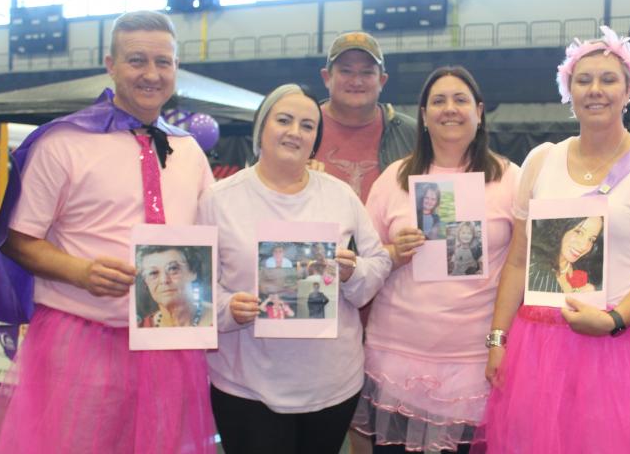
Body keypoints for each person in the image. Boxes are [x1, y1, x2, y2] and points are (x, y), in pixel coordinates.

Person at [0, 11, 216, 453]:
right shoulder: (63, 142)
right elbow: (16, 238)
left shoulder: (190, 152)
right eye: (137, 60)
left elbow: (215, 239)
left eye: (163, 62)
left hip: (168, 345)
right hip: (81, 338)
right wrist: (79, 270)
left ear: (177, 68)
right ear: (110, 63)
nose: (151, 74)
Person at [476, 26, 630, 454]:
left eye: (609, 79)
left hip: (627, 347)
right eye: (584, 80)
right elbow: (519, 263)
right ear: (568, 89)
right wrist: (498, 340)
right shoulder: (541, 160)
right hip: (540, 350)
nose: (596, 90)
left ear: (629, 88)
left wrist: (613, 321)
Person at [197, 83, 391, 454]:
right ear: (261, 129)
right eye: (283, 120)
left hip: (332, 384)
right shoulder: (219, 199)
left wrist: (353, 273)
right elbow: (198, 286)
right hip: (246, 385)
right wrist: (228, 308)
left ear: (315, 139)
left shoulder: (338, 195)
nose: (294, 132)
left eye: (307, 125)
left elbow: (378, 263)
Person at [352, 66, 520, 453]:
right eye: (438, 101)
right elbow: (364, 266)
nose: (450, 109)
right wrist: (394, 253)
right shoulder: (393, 180)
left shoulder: (510, 178)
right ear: (424, 115)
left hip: (474, 363)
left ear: (479, 112)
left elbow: (523, 263)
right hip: (396, 361)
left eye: (461, 100)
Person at [314, 31, 416, 203]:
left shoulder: (411, 134)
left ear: (382, 81)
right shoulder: (302, 130)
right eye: (346, 71)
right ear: (326, 77)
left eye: (367, 73)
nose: (356, 81)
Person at [136, 245, 214, 328]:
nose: (164, 280)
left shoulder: (218, 319)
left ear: (193, 272)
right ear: (146, 282)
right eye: (153, 273)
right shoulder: (141, 326)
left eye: (173, 269)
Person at [526, 216, 604, 293]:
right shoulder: (531, 265)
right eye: (578, 232)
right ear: (561, 227)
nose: (584, 246)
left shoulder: (585, 272)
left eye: (591, 239)